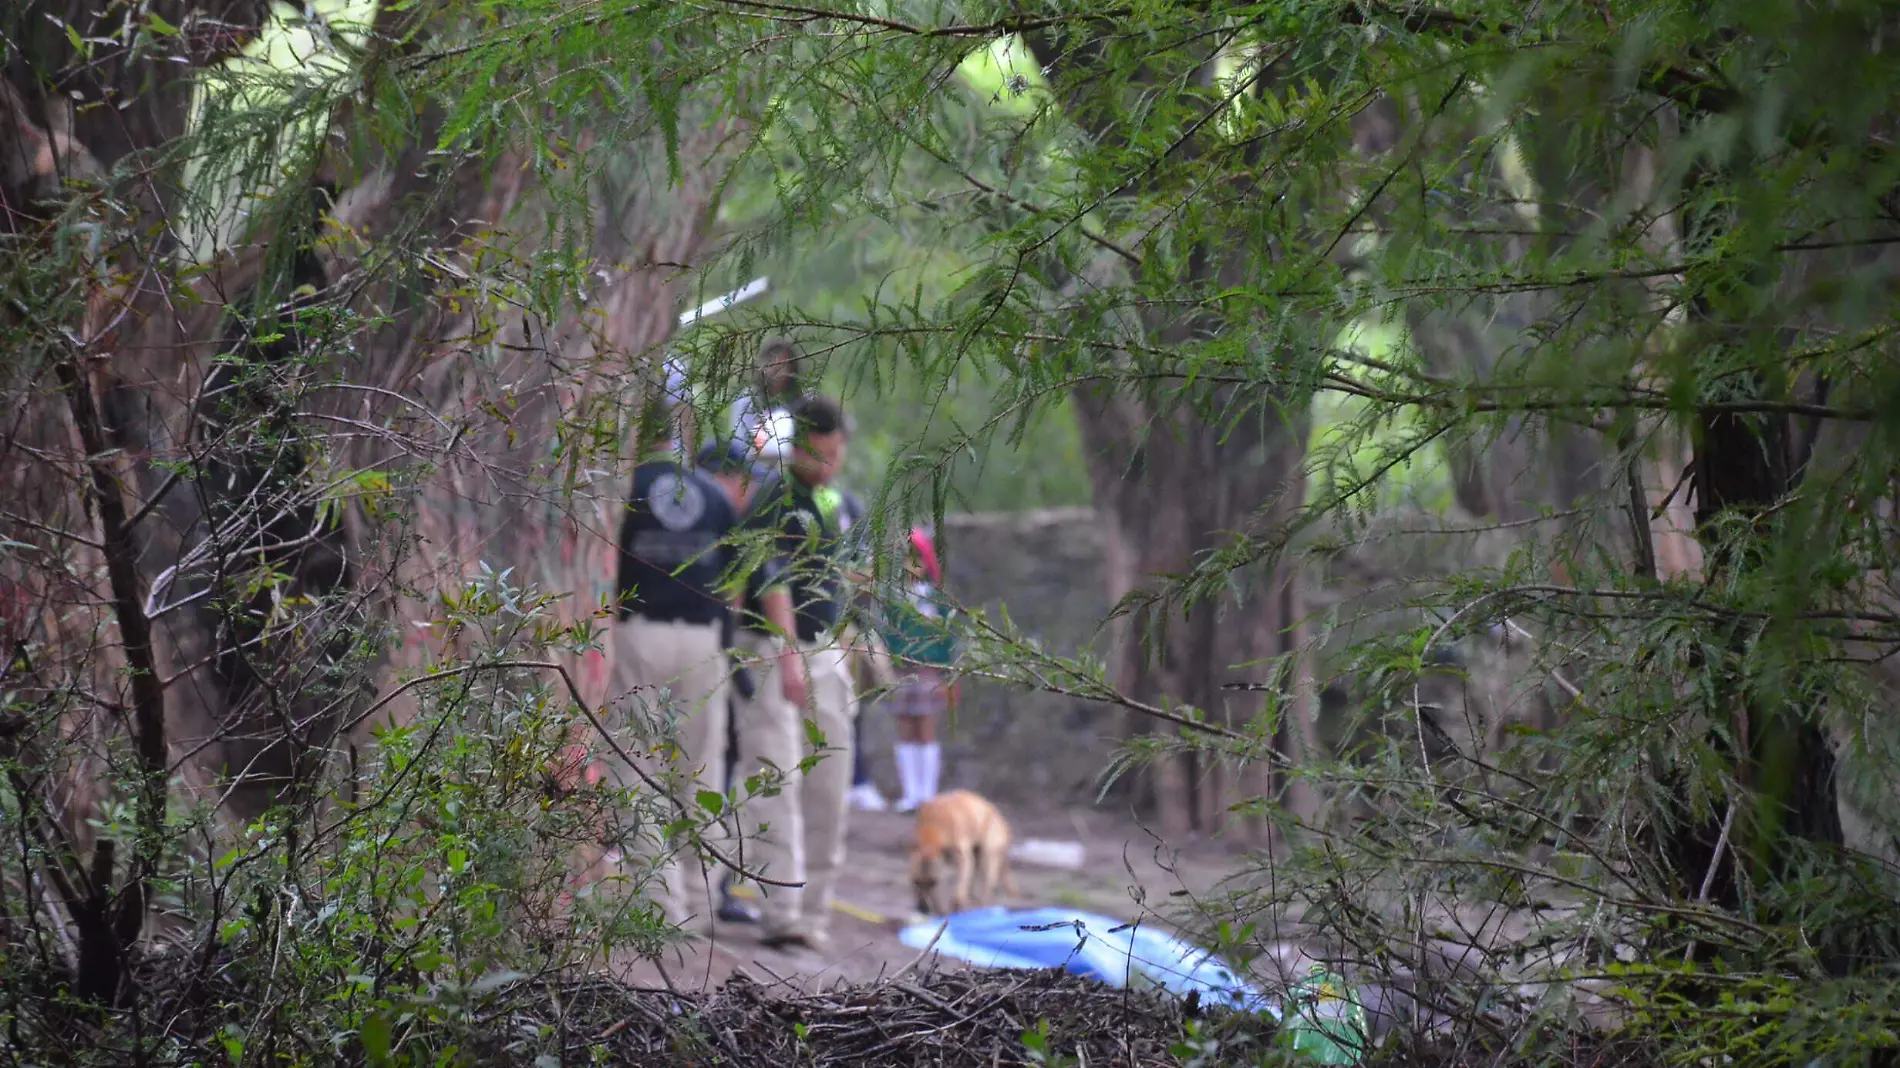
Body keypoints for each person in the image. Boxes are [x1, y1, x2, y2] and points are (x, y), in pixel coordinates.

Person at [604, 394, 741, 927]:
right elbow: (736, 578)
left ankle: (659, 906)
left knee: (636, 768)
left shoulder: (621, 490)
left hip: (639, 634)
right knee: (699, 769)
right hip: (702, 640)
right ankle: (703, 902)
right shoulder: (713, 494)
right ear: (676, 432)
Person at [729, 395, 859, 950]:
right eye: (816, 453)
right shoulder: (774, 495)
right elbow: (769, 573)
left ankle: (815, 911)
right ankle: (781, 910)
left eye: (834, 454)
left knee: (830, 783)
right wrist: (785, 654)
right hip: (771, 647)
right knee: (776, 779)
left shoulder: (828, 498)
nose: (826, 463)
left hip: (824, 647)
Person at [694, 438, 769, 926]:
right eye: (743, 481)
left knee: (719, 773)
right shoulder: (713, 519)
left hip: (718, 655)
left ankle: (712, 887)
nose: (748, 492)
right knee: (703, 772)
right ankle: (697, 891)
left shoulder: (725, 521)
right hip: (696, 660)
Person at [877, 527, 959, 813]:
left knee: (925, 728)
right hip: (903, 673)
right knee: (905, 728)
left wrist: (947, 675)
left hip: (928, 673)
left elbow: (948, 639)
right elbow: (888, 634)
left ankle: (928, 794)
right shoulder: (894, 599)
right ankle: (911, 793)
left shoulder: (936, 599)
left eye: (916, 559)